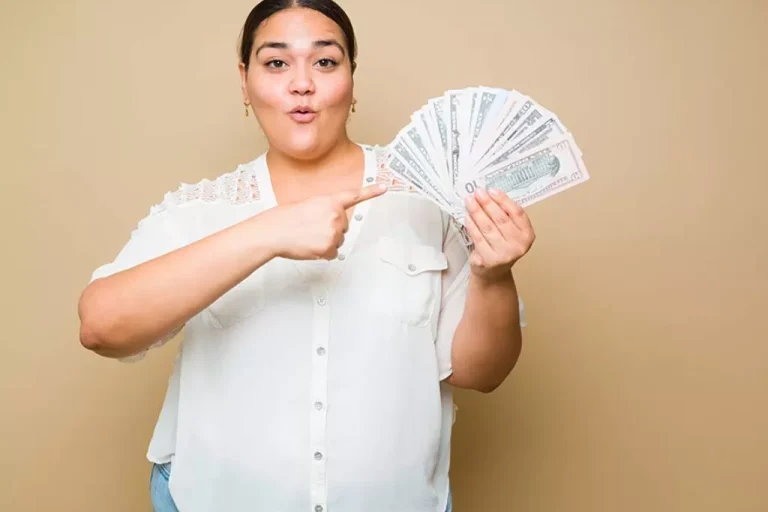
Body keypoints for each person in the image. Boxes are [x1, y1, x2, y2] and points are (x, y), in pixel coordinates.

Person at [77, 1, 534, 511]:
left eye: (325, 62)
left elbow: (480, 374)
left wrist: (494, 276)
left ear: (352, 81)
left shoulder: (428, 199)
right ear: (245, 82)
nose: (301, 84)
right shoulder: (200, 208)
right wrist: (266, 233)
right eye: (276, 63)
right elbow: (101, 328)